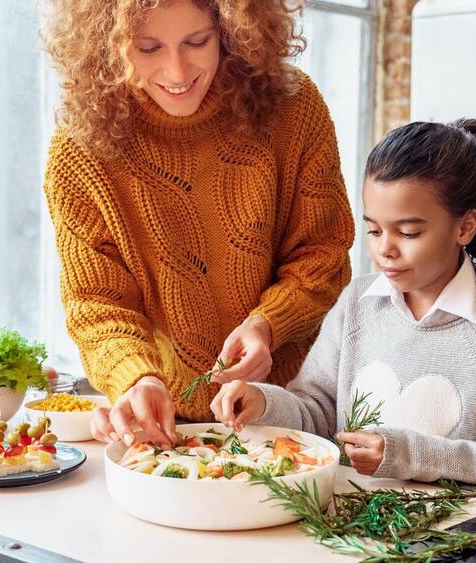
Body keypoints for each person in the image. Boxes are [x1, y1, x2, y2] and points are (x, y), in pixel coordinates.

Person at [42, 0, 354, 448]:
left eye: (197, 42)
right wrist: (136, 377)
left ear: (231, 31)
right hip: (168, 423)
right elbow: (96, 303)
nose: (176, 70)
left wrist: (269, 324)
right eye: (148, 47)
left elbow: (322, 254)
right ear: (106, 47)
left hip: (296, 408)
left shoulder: (294, 109)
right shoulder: (81, 148)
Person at [211, 119, 476, 498]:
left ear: (464, 227)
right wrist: (263, 402)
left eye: (408, 233)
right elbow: (317, 413)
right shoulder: (356, 304)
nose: (385, 249)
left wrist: (405, 454)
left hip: (450, 542)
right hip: (346, 530)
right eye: (374, 230)